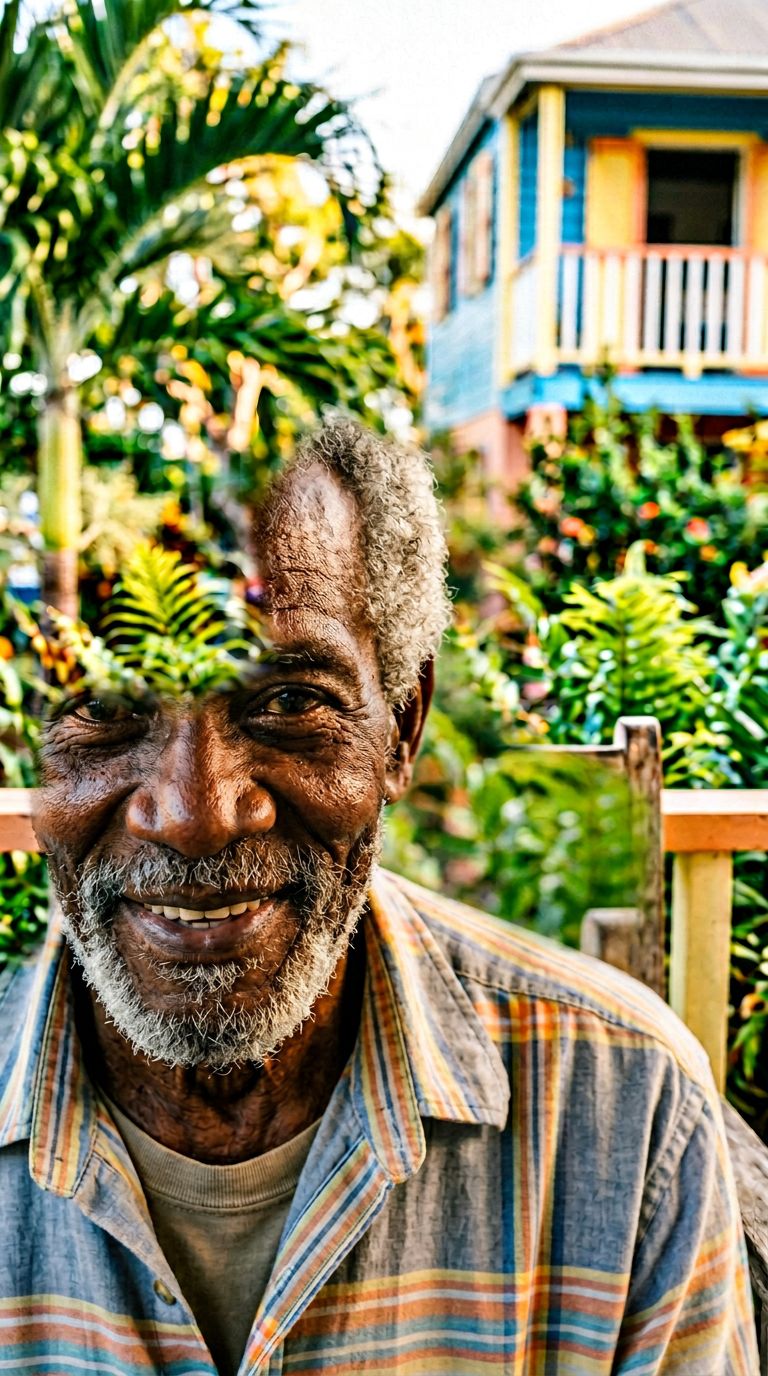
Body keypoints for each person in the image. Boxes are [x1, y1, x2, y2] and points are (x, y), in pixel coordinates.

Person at [0, 422, 758, 1375]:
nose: (194, 816)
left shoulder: (623, 1115)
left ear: (401, 727)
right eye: (106, 707)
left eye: (288, 702)